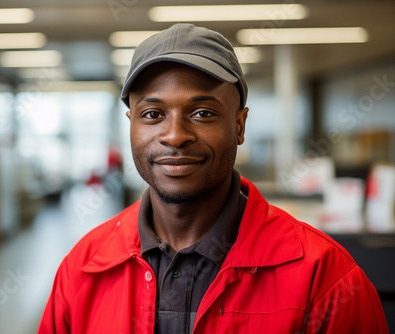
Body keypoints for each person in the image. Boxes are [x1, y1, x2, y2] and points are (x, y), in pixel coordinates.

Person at [38, 23, 388, 334]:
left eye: (202, 113)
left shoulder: (325, 278)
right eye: (153, 114)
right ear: (130, 123)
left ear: (239, 125)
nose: (175, 135)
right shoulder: (82, 269)